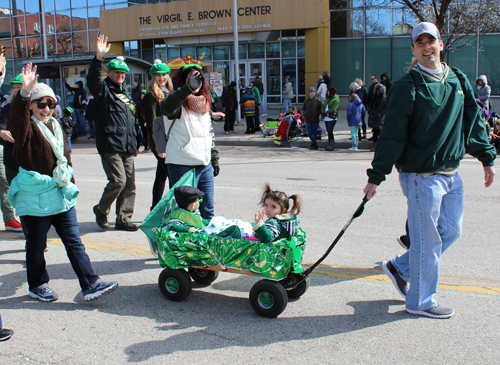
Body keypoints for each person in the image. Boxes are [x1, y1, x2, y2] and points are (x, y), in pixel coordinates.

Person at [363, 22, 496, 319]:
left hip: (452, 174)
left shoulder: (458, 79)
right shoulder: (406, 86)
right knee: (428, 242)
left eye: (431, 41)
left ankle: (400, 267)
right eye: (420, 42)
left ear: (441, 44)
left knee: (451, 231)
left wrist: (487, 157)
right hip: (421, 176)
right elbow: (392, 135)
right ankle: (420, 301)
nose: (426, 47)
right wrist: (376, 177)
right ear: (413, 49)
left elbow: (472, 122)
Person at [8, 62, 119, 302]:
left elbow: (64, 159)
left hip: (60, 193)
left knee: (74, 242)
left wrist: (71, 183)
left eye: (51, 104)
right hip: (35, 195)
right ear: (31, 106)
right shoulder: (26, 129)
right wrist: (25, 93)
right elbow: (16, 120)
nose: (47, 109)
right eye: (41, 104)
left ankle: (90, 283)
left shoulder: (56, 126)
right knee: (36, 246)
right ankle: (37, 285)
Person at [155, 64, 224, 220]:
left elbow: (209, 135)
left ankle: (206, 243)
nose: (195, 82)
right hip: (182, 163)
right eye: (190, 79)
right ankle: (185, 243)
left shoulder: (204, 104)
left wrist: (214, 158)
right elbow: (165, 108)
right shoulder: (176, 101)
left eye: (198, 78)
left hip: (204, 163)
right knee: (186, 212)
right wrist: (186, 89)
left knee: (207, 210)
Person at [87, 35, 139, 231]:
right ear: (108, 72)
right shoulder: (103, 91)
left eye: (123, 73)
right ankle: (101, 209)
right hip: (110, 144)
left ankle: (123, 219)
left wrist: (135, 143)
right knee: (118, 181)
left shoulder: (125, 93)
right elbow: (92, 80)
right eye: (116, 72)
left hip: (127, 145)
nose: (120, 75)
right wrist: (98, 57)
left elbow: (132, 122)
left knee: (130, 185)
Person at [142, 59, 173, 209]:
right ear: (153, 77)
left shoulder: (168, 93)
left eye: (165, 74)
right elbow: (154, 124)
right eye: (159, 75)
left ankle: (154, 209)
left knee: (161, 176)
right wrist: (160, 148)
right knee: (172, 176)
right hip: (160, 143)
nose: (162, 78)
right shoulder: (151, 96)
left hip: (170, 141)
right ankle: (174, 209)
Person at [367, 84, 386, 152]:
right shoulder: (374, 98)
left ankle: (381, 147)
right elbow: (371, 106)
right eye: (377, 90)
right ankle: (374, 147)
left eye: (379, 90)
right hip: (374, 117)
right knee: (375, 133)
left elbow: (386, 108)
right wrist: (369, 111)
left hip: (380, 119)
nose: (378, 92)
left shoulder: (384, 98)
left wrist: (380, 113)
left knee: (380, 133)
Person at [321, 87, 340, 151]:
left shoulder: (336, 100)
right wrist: (323, 112)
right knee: (328, 131)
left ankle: (331, 144)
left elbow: (334, 109)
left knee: (330, 130)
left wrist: (326, 112)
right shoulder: (327, 99)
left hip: (331, 118)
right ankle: (329, 143)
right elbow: (323, 106)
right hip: (326, 118)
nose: (327, 93)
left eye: (328, 92)